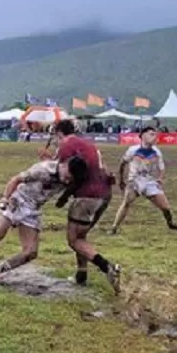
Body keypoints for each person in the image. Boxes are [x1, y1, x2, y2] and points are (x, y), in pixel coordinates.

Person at [0, 156, 88, 290]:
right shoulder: (42, 170)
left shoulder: (68, 178)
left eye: (71, 180)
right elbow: (15, 180)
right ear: (64, 166)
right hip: (17, 201)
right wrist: (4, 199)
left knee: (31, 252)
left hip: (32, 210)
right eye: (68, 177)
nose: (67, 181)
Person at [54, 119, 121, 292]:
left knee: (74, 239)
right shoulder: (89, 145)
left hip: (87, 196)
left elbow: (68, 177)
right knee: (82, 237)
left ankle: (107, 267)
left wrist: (64, 197)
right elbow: (104, 169)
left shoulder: (66, 147)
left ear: (59, 134)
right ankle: (81, 274)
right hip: (104, 194)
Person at [110, 127, 177, 234]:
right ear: (143, 136)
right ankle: (114, 228)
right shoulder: (132, 150)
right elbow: (122, 164)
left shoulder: (157, 152)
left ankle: (171, 223)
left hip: (150, 182)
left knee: (166, 207)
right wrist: (121, 180)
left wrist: (160, 179)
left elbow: (162, 168)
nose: (154, 137)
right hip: (134, 181)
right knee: (126, 203)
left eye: (155, 134)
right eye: (151, 134)